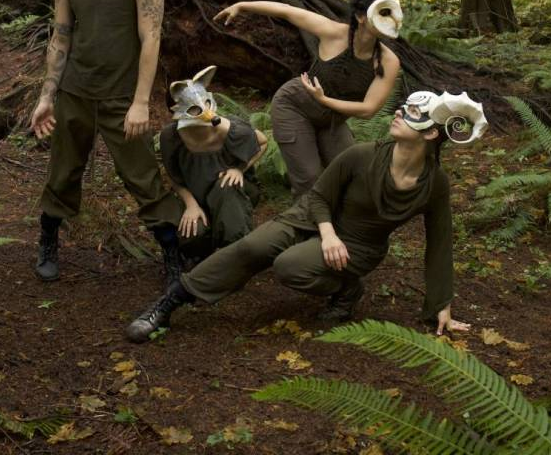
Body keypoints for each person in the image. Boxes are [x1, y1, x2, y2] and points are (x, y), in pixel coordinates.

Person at [123, 90, 490, 343]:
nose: (398, 112)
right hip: (311, 217)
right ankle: (171, 301)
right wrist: (327, 234)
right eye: (403, 106)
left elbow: (440, 241)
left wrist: (441, 304)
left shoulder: (434, 184)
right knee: (252, 246)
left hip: (358, 246)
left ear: (430, 134)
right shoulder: (362, 155)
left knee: (288, 266)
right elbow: (317, 197)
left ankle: (347, 289)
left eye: (413, 114)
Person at [28, 0, 184, 284]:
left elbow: (152, 38)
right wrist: (46, 97)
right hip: (76, 92)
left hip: (120, 97)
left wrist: (140, 101)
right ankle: (48, 239)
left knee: (142, 178)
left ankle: (173, 258)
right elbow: (60, 38)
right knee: (62, 171)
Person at [214, 0, 403, 199]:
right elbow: (287, 11)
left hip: (331, 118)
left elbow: (368, 110)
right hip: (294, 106)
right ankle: (308, 228)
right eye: (382, 13)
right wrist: (242, 6)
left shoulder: (388, 61)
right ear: (361, 17)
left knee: (350, 174)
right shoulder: (333, 32)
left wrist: (324, 100)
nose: (389, 19)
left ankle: (343, 226)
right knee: (310, 179)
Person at [160, 66, 269, 263]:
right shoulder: (170, 137)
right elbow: (174, 177)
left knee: (225, 189)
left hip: (231, 192)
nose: (206, 112)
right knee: (192, 235)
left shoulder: (231, 129)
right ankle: (205, 253)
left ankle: (237, 254)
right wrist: (191, 204)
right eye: (194, 108)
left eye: (206, 103)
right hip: (198, 195)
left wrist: (239, 169)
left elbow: (262, 142)